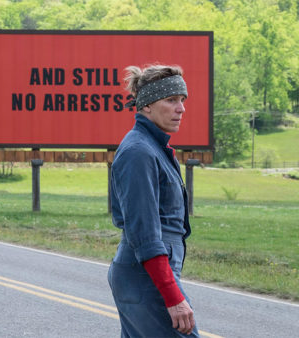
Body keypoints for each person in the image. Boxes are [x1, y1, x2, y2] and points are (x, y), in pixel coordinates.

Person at [107, 64, 199, 337]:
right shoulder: (139, 152)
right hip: (145, 276)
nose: (180, 108)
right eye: (171, 100)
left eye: (182, 100)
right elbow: (145, 234)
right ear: (146, 105)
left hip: (147, 275)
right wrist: (173, 296)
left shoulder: (153, 148)